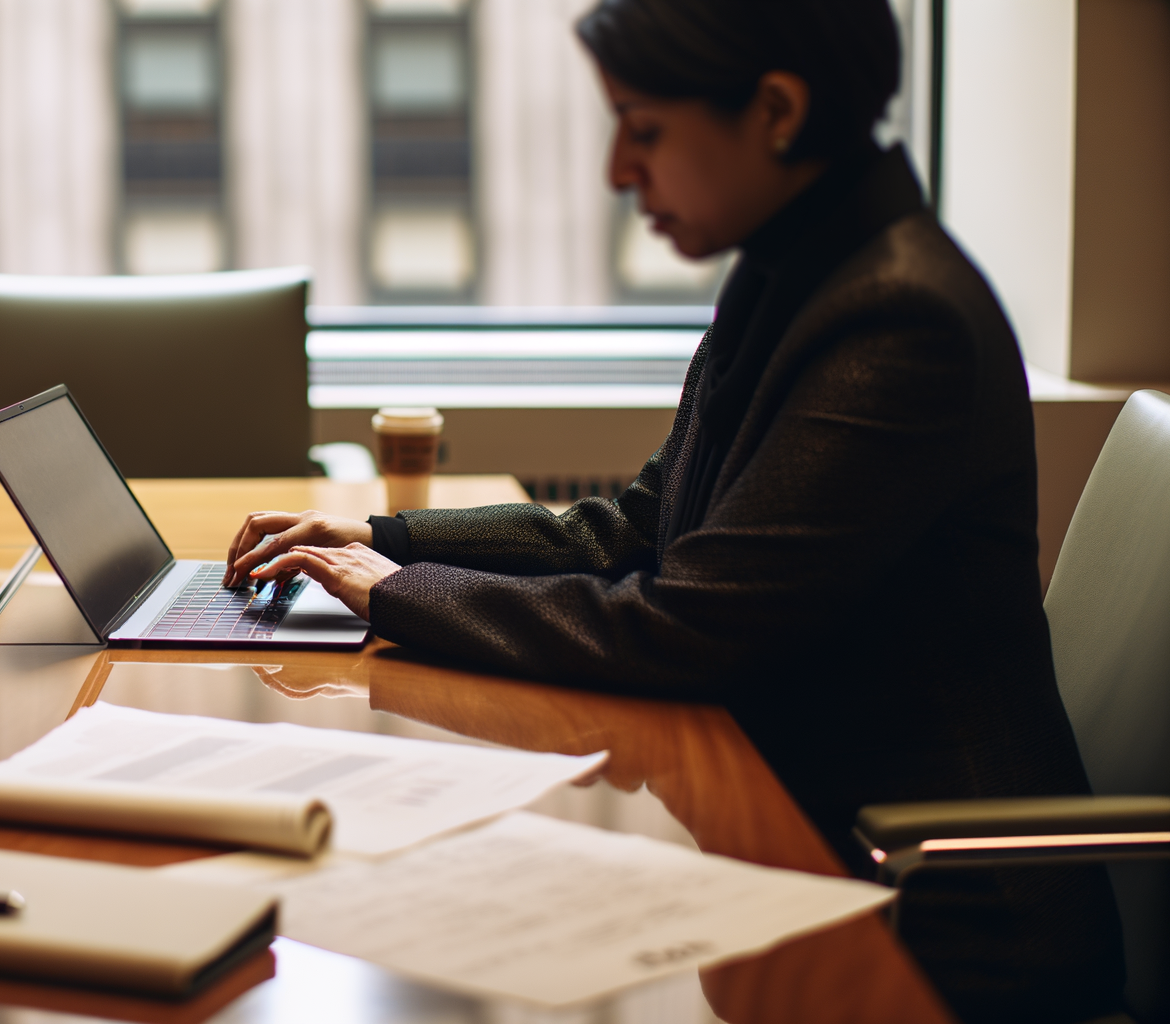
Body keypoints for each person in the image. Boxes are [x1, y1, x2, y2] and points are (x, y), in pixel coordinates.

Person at [223, 1, 1126, 1021]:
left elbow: (686, 627)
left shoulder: (897, 316)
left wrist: (399, 596)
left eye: (642, 128)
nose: (616, 168)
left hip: (938, 918)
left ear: (776, 110)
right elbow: (640, 526)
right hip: (805, 841)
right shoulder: (793, 269)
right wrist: (385, 540)